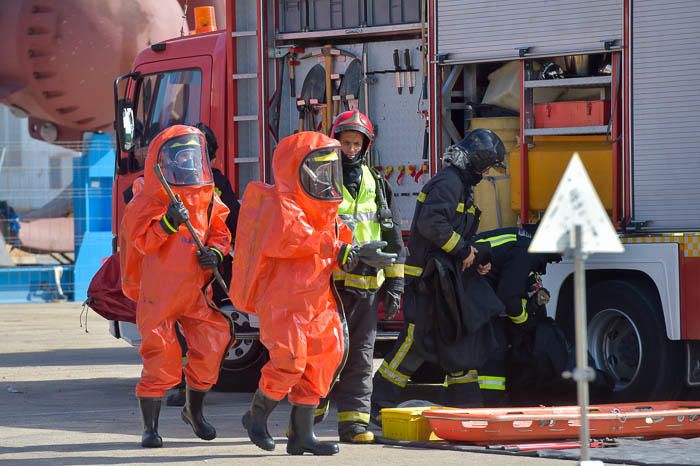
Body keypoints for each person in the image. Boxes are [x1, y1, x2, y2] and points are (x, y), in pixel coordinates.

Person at [230, 131, 396, 456]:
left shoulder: (325, 208)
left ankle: (302, 435)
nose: (324, 176)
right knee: (289, 361)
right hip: (285, 301)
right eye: (317, 168)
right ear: (297, 168)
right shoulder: (281, 203)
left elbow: (340, 241)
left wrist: (362, 253)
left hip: (317, 299)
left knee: (324, 359)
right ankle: (256, 416)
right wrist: (341, 249)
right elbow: (294, 238)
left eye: (327, 168)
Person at [370, 128, 506, 425]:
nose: (484, 173)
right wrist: (462, 250)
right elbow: (432, 225)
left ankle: (468, 408)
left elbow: (455, 230)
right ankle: (378, 403)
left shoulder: (459, 184)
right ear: (474, 162)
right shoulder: (448, 183)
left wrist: (474, 255)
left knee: (459, 340)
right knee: (414, 343)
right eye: (484, 166)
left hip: (445, 281)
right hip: (426, 283)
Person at [120, 125, 234, 448]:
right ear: (164, 160)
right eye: (179, 156)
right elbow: (140, 242)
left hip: (196, 292)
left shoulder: (208, 197)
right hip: (158, 295)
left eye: (191, 156)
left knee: (213, 345)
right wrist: (167, 223)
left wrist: (214, 253)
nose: (186, 162)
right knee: (161, 356)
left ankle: (193, 411)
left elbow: (220, 232)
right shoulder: (148, 199)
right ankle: (150, 428)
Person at [312, 110, 406, 444]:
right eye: (345, 142)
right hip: (328, 286)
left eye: (356, 143)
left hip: (366, 288)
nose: (350, 148)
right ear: (333, 141)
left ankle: (353, 424)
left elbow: (393, 239)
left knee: (362, 356)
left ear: (365, 145)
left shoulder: (376, 183)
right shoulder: (319, 178)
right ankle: (310, 408)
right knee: (324, 352)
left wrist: (395, 284)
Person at [441, 227, 562, 407]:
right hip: (467, 291)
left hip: (464, 288)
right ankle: (488, 403)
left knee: (481, 349)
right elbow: (509, 299)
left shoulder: (522, 243)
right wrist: (525, 321)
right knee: (492, 347)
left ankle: (473, 401)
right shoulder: (525, 251)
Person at [164, 122, 240, 407]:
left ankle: (196, 384)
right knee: (176, 332)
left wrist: (217, 255)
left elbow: (230, 225)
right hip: (173, 273)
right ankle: (185, 382)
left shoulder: (216, 184)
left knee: (202, 332)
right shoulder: (168, 185)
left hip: (205, 271)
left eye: (199, 151)